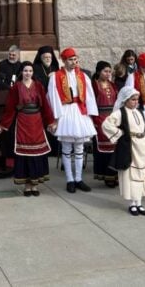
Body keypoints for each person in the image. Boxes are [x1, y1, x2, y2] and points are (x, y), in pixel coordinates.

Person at [102, 86, 145, 216]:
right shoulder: (120, 112)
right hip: (130, 148)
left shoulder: (140, 112)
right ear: (125, 100)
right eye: (133, 100)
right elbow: (106, 124)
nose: (136, 102)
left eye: (137, 99)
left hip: (142, 148)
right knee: (131, 175)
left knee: (141, 175)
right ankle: (132, 204)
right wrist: (120, 133)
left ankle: (139, 203)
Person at [0, 61, 55, 196]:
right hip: (23, 122)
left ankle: (35, 185)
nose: (28, 73)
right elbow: (10, 108)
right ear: (21, 72)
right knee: (24, 154)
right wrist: (3, 125)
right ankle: (26, 186)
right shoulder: (16, 88)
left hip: (37, 122)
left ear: (33, 73)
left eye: (30, 71)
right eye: (25, 71)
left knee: (37, 153)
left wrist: (50, 122)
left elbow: (46, 106)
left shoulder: (39, 86)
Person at [47, 47, 98, 193]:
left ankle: (78, 178)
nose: (74, 62)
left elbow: (89, 96)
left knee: (80, 147)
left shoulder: (83, 76)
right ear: (64, 61)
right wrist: (56, 118)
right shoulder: (55, 77)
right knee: (67, 148)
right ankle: (69, 179)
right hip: (66, 112)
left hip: (80, 111)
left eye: (75, 59)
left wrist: (91, 114)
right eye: (71, 59)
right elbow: (53, 98)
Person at [90, 61, 118, 188]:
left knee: (115, 147)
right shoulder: (94, 85)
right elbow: (91, 103)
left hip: (113, 117)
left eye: (109, 71)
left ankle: (114, 174)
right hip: (100, 117)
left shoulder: (113, 85)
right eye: (105, 71)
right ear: (98, 72)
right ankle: (106, 175)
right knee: (104, 147)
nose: (108, 74)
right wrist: (93, 120)